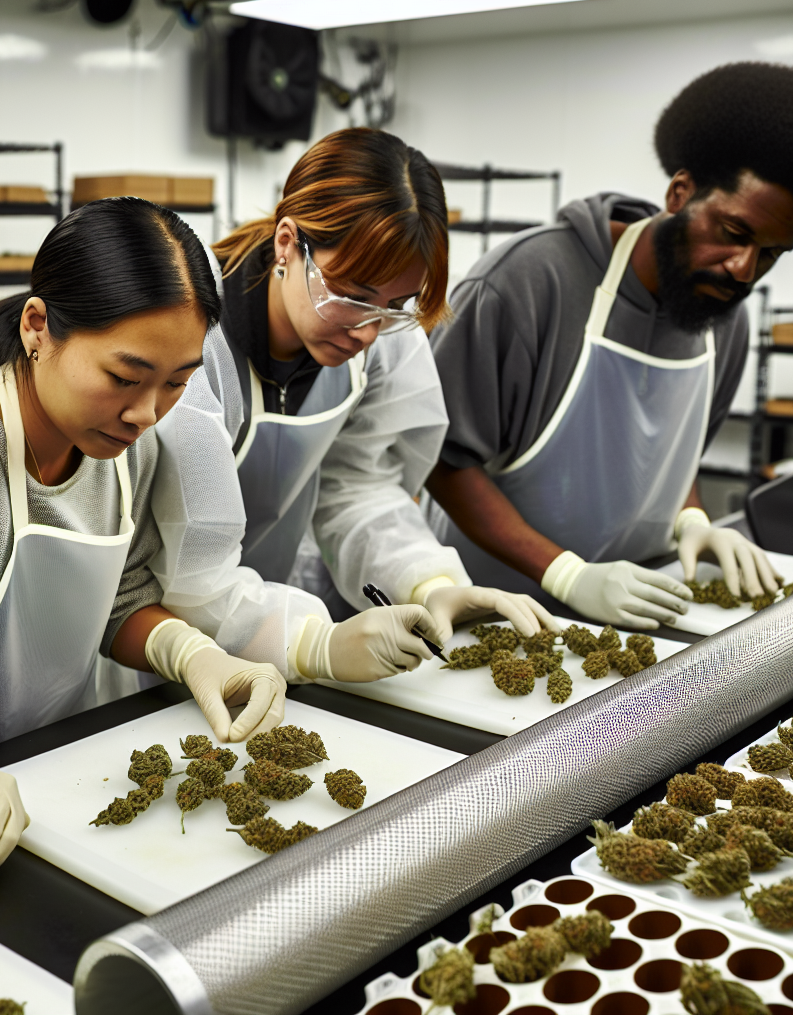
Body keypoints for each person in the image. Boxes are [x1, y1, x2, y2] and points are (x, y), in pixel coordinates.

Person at [0, 197, 289, 894]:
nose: (146, 413)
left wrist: (197, 655)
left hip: (57, 789)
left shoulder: (124, 450)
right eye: (123, 377)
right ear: (38, 328)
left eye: (177, 383)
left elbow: (121, 603)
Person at [424, 62, 793, 629]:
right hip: (490, 613)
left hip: (632, 610)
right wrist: (566, 574)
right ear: (679, 193)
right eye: (734, 234)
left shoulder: (723, 317)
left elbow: (668, 454)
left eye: (770, 253)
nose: (743, 269)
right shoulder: (529, 282)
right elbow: (443, 462)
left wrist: (693, 519)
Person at [200, 127, 559, 685]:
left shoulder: (381, 348)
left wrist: (429, 581)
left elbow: (356, 490)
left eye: (396, 305)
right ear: (288, 245)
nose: (369, 330)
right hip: (147, 641)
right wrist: (313, 644)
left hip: (264, 633)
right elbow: (184, 564)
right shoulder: (189, 343)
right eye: (353, 294)